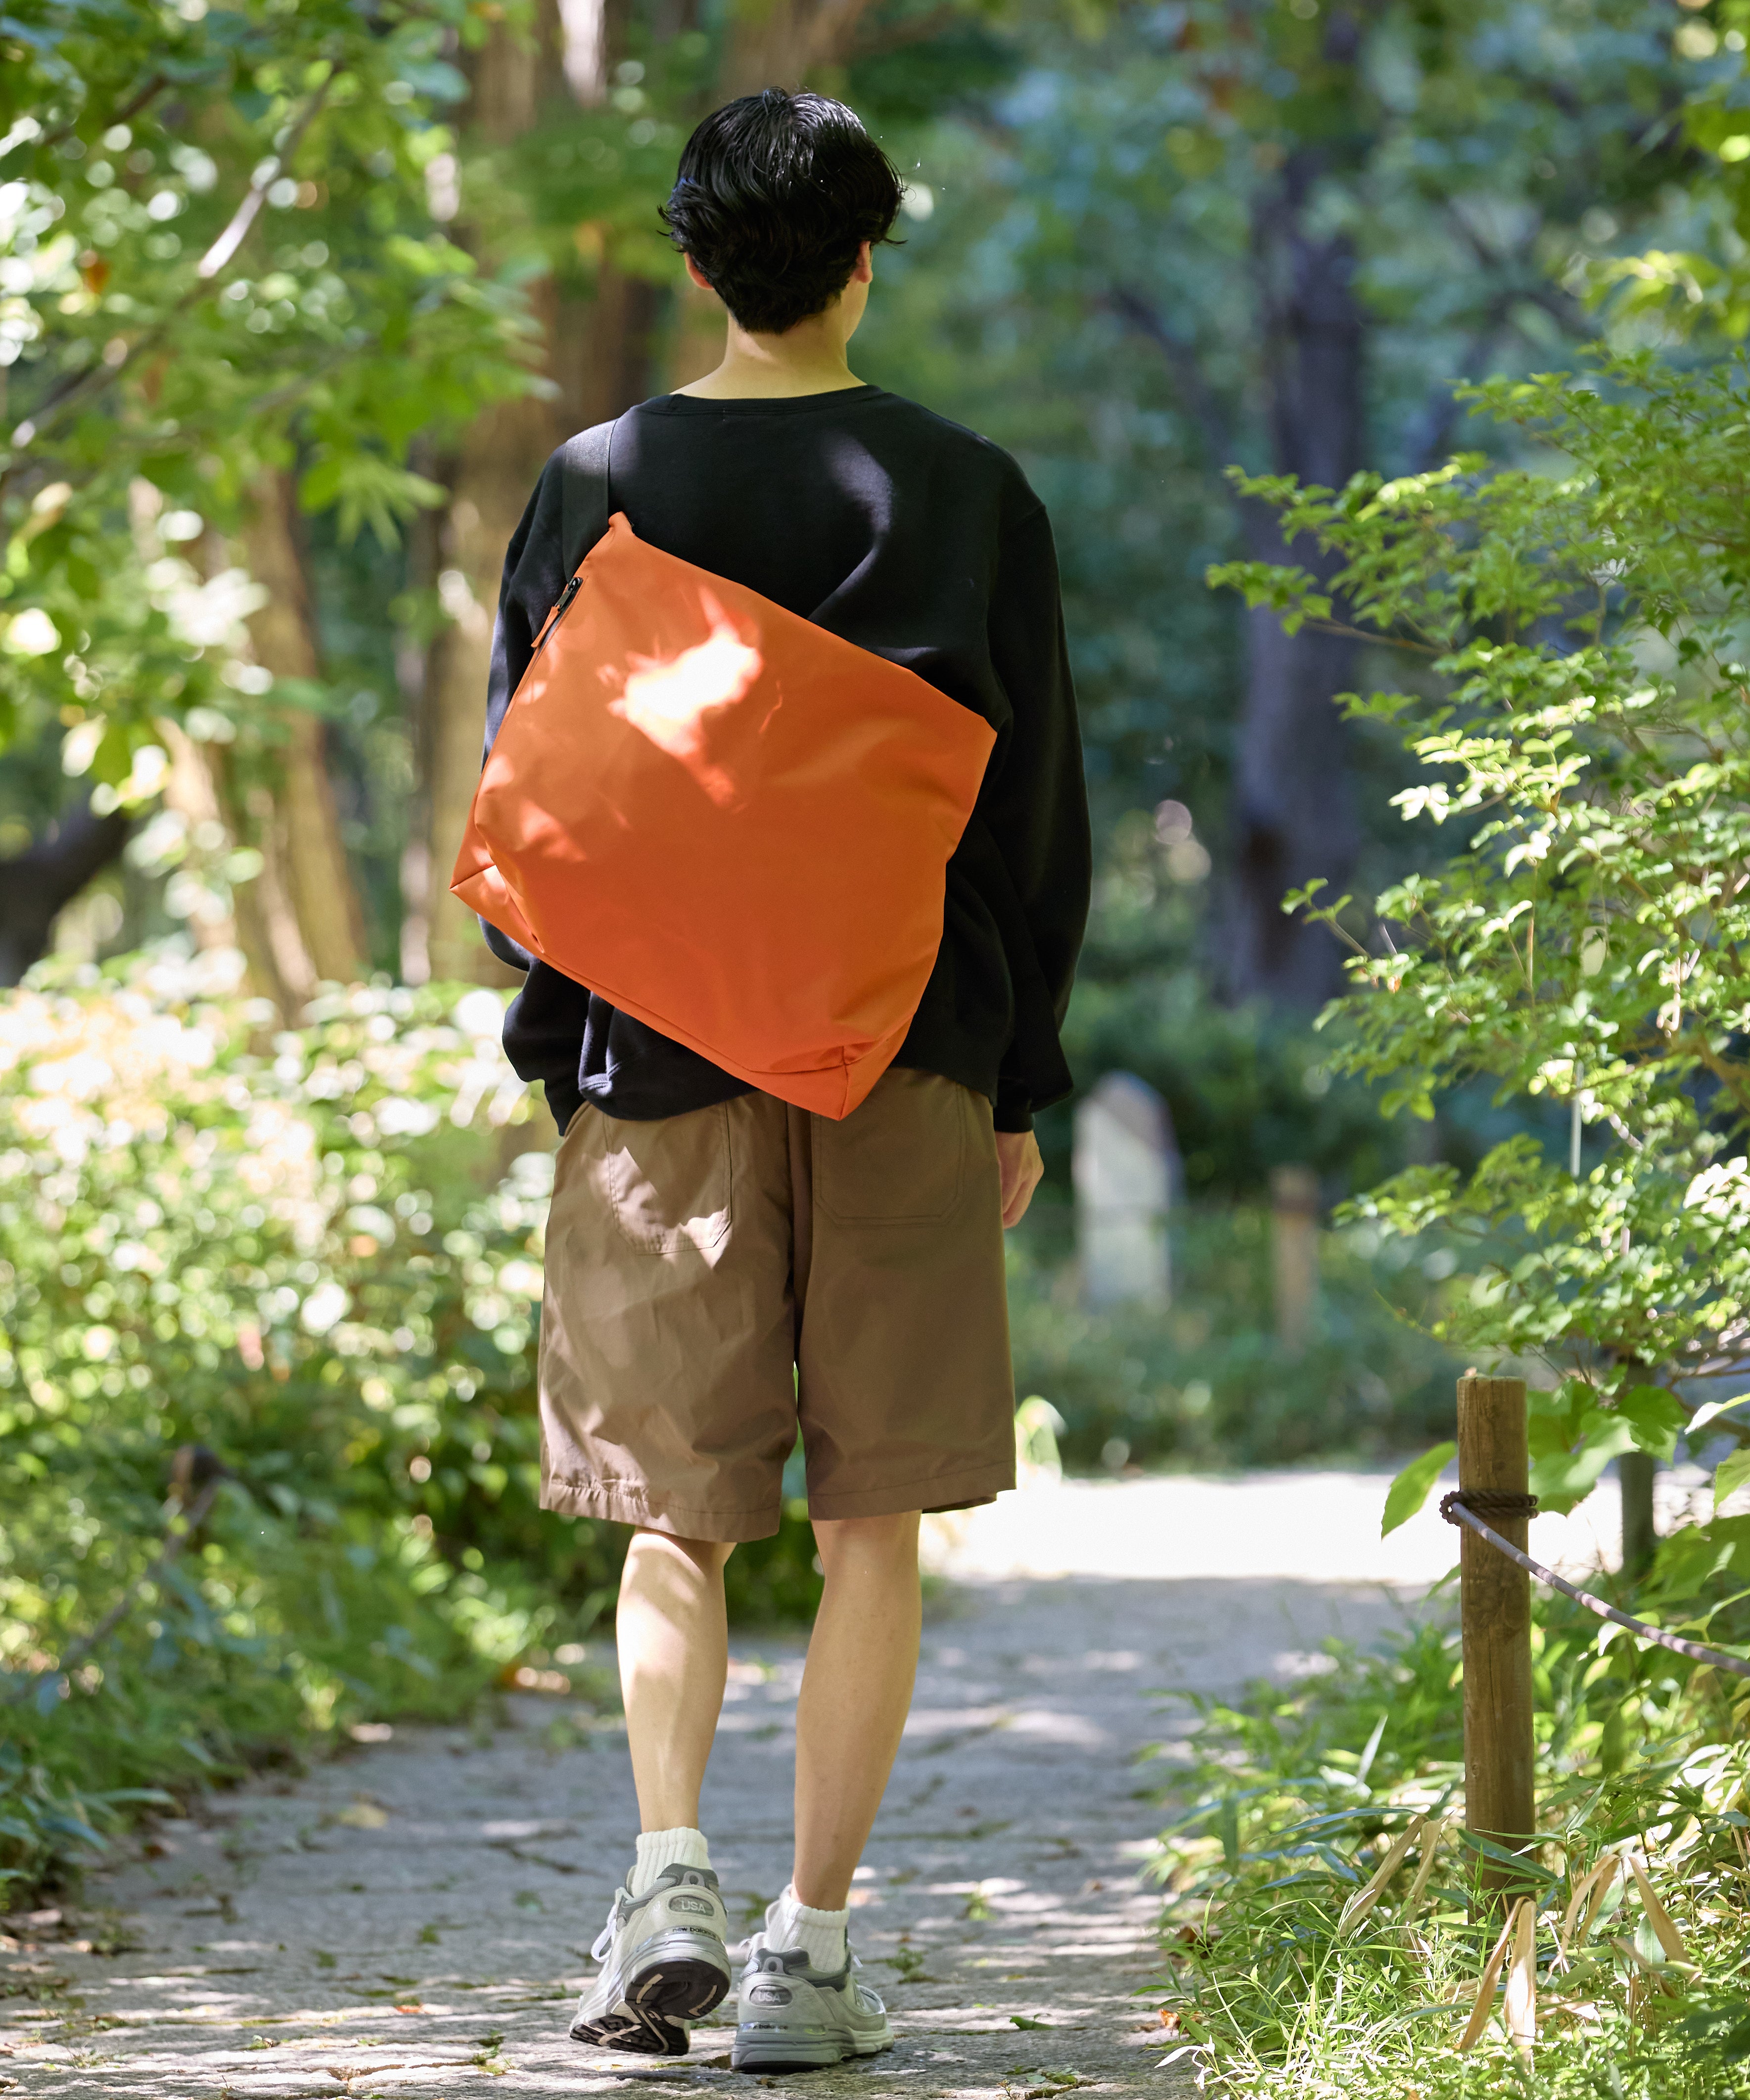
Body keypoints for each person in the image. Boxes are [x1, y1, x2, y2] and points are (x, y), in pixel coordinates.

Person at [477, 86, 1090, 2074]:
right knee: (872, 1520)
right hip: (903, 1049)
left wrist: (554, 1044)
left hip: (654, 1063)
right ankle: (810, 1956)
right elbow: (1036, 826)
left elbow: (535, 799)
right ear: (866, 255)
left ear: (689, 262)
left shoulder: (597, 480)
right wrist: (1017, 1082)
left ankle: (670, 1872)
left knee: (675, 1512)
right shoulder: (969, 490)